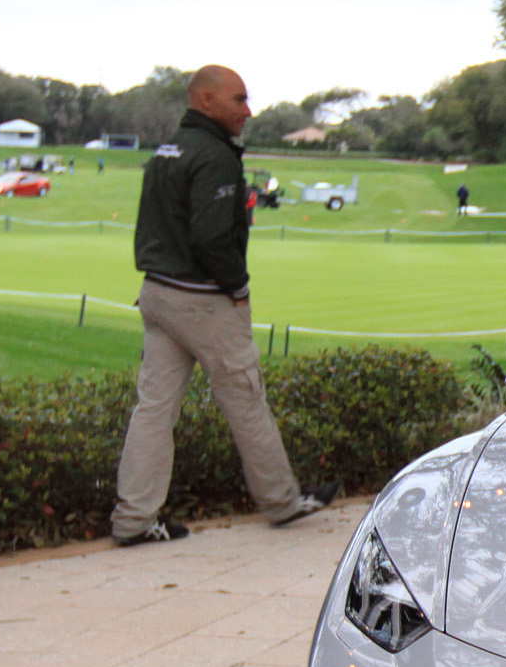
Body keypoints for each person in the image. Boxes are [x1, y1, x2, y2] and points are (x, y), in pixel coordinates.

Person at [110, 65, 338, 545]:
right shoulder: (214, 156)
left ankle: (133, 519)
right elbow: (212, 237)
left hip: (157, 293)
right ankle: (281, 502)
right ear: (207, 99)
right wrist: (237, 286)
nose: (247, 110)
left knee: (154, 408)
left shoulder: (168, 149)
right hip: (202, 298)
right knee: (245, 397)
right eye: (238, 99)